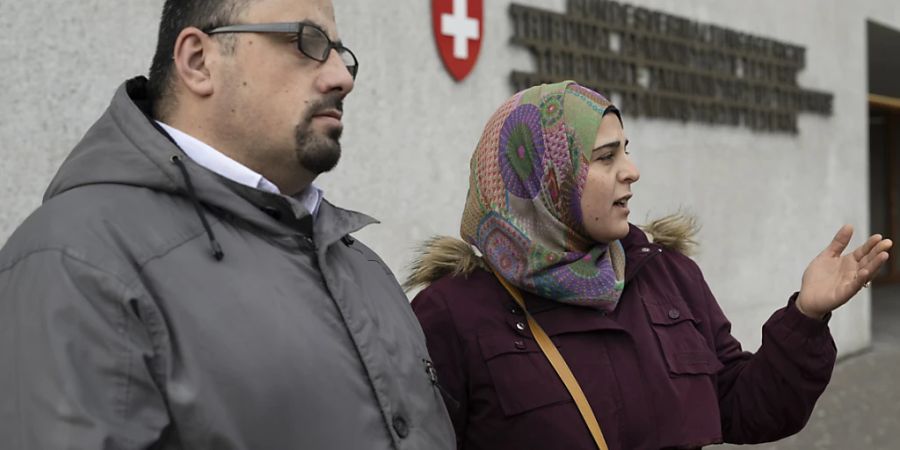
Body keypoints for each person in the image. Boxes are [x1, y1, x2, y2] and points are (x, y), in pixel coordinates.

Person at [0, 0, 454, 448]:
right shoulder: (76, 261)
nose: (342, 77)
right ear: (199, 62)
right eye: (307, 42)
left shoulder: (363, 268)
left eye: (340, 52)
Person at [406, 81, 892, 450]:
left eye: (627, 149)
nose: (631, 170)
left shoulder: (667, 274)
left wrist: (806, 318)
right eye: (604, 156)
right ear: (543, 179)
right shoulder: (452, 313)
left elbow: (744, 408)